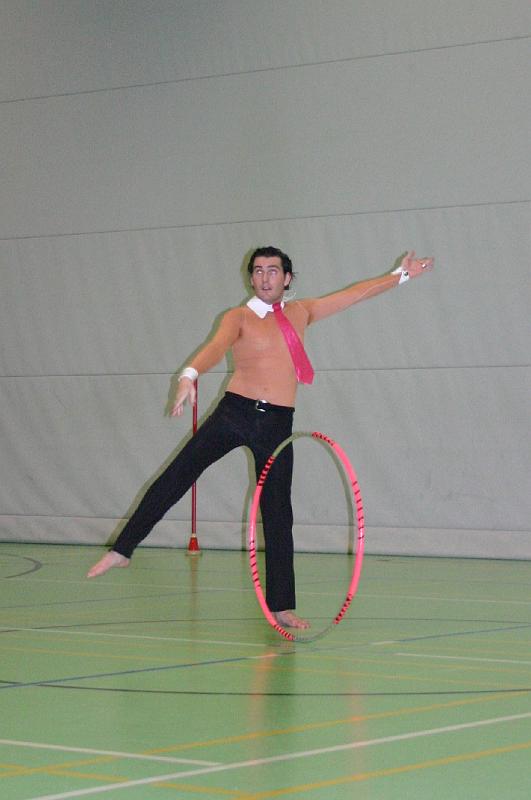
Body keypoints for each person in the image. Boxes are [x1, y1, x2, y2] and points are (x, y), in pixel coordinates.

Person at [87, 246, 433, 629]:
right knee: (178, 474)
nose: (264, 277)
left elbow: (353, 295)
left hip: (278, 423)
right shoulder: (238, 316)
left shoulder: (302, 311)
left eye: (272, 270)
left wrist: (401, 275)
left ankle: (281, 606)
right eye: (258, 271)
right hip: (234, 412)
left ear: (287, 278)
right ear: (251, 277)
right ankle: (123, 548)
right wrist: (189, 375)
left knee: (278, 512)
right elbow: (215, 347)